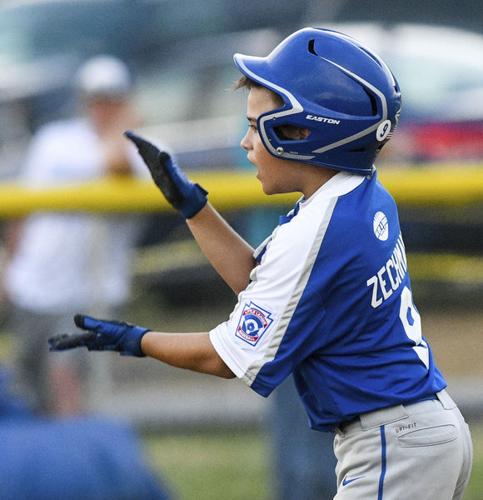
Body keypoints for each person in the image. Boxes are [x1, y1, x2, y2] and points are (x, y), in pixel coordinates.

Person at [49, 28, 473, 499]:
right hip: (421, 430)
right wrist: (194, 208)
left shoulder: (319, 228)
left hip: (393, 443)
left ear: (305, 132)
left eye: (257, 126)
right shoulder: (356, 195)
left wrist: (135, 340)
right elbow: (264, 284)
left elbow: (225, 357)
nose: (246, 142)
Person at [1, 55, 147, 415]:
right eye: (95, 97)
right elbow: (24, 208)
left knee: (69, 390)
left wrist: (125, 125)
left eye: (111, 98)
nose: (102, 106)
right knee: (31, 395)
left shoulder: (143, 147)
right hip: (33, 286)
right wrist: (8, 266)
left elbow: (117, 166)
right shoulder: (55, 139)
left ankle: (75, 465)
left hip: (88, 295)